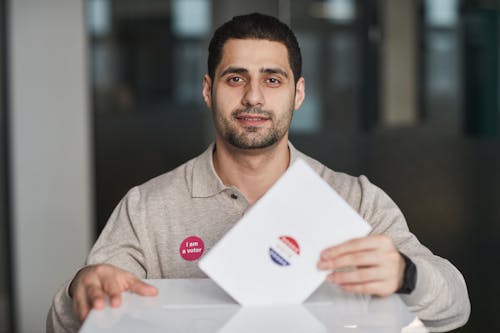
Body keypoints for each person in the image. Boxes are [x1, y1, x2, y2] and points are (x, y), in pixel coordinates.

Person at [47, 13, 470, 333]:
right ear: (208, 90)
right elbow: (64, 323)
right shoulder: (147, 206)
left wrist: (405, 274)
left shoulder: (355, 199)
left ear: (298, 93)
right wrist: (81, 288)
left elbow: (455, 306)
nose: (253, 97)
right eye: (236, 79)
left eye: (272, 79)